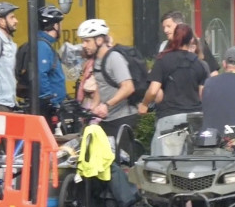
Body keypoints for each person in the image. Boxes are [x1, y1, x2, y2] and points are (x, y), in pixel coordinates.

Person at [138, 23, 208, 155]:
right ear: (191, 40)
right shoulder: (199, 64)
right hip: (195, 118)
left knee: (166, 165)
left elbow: (153, 90)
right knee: (191, 163)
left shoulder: (163, 60)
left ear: (174, 38)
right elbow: (202, 94)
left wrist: (144, 105)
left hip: (170, 118)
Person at [77, 19, 138, 138]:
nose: (84, 45)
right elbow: (101, 85)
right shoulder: (97, 61)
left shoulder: (114, 58)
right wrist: (92, 109)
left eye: (87, 41)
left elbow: (128, 87)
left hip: (122, 118)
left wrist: (106, 105)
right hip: (107, 119)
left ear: (99, 40)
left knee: (122, 156)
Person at [159, 10, 218, 76]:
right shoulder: (164, 46)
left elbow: (213, 74)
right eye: (164, 27)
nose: (165, 30)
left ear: (180, 25)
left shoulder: (200, 45)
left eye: (169, 26)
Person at [36, 5, 67, 105]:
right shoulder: (43, 46)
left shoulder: (46, 44)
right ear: (55, 25)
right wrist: (49, 101)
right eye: (60, 24)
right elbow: (41, 74)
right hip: (51, 107)